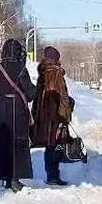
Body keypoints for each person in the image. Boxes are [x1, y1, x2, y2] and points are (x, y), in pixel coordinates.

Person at [0, 38, 36, 192]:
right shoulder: (21, 69)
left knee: (1, 142)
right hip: (17, 110)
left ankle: (3, 176)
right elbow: (29, 93)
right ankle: (14, 178)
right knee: (17, 144)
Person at [31, 45, 73, 186]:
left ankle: (51, 175)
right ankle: (53, 176)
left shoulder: (42, 73)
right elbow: (63, 97)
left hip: (43, 115)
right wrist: (66, 115)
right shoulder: (56, 73)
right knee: (54, 145)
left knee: (50, 145)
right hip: (55, 115)